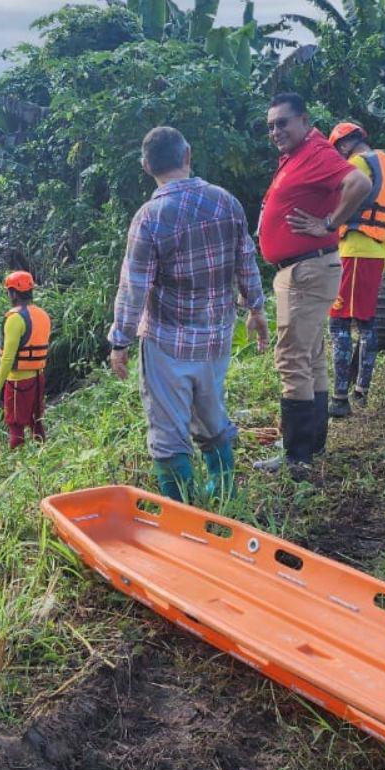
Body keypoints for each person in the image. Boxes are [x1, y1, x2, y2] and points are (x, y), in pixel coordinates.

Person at [109, 126, 268, 502]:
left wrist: (120, 340)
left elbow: (135, 287)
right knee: (212, 414)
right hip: (216, 337)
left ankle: (183, 513)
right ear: (187, 155)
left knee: (168, 431)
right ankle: (225, 495)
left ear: (147, 166)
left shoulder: (149, 217)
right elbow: (246, 262)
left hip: (167, 342)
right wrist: (257, 308)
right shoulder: (226, 202)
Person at [254, 93, 373, 475]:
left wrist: (329, 223)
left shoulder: (317, 152)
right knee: (310, 355)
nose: (276, 131)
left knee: (291, 358)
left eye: (283, 123)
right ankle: (311, 444)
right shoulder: (297, 156)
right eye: (271, 125)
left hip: (306, 270)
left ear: (304, 121)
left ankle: (296, 456)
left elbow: (358, 183)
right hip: (304, 269)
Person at [325, 122, 385, 418]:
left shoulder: (358, 164)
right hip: (375, 252)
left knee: (340, 322)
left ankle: (339, 398)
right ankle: (361, 391)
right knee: (367, 324)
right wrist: (383, 257)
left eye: (338, 151)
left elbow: (338, 203)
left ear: (345, 144)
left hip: (355, 252)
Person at [0, 271, 51, 448]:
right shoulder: (42, 314)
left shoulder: (15, 319)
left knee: (15, 424)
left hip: (18, 381)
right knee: (36, 421)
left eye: (9, 291)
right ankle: (42, 455)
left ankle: (16, 464)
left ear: (13, 293)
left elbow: (8, 357)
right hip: (38, 377)